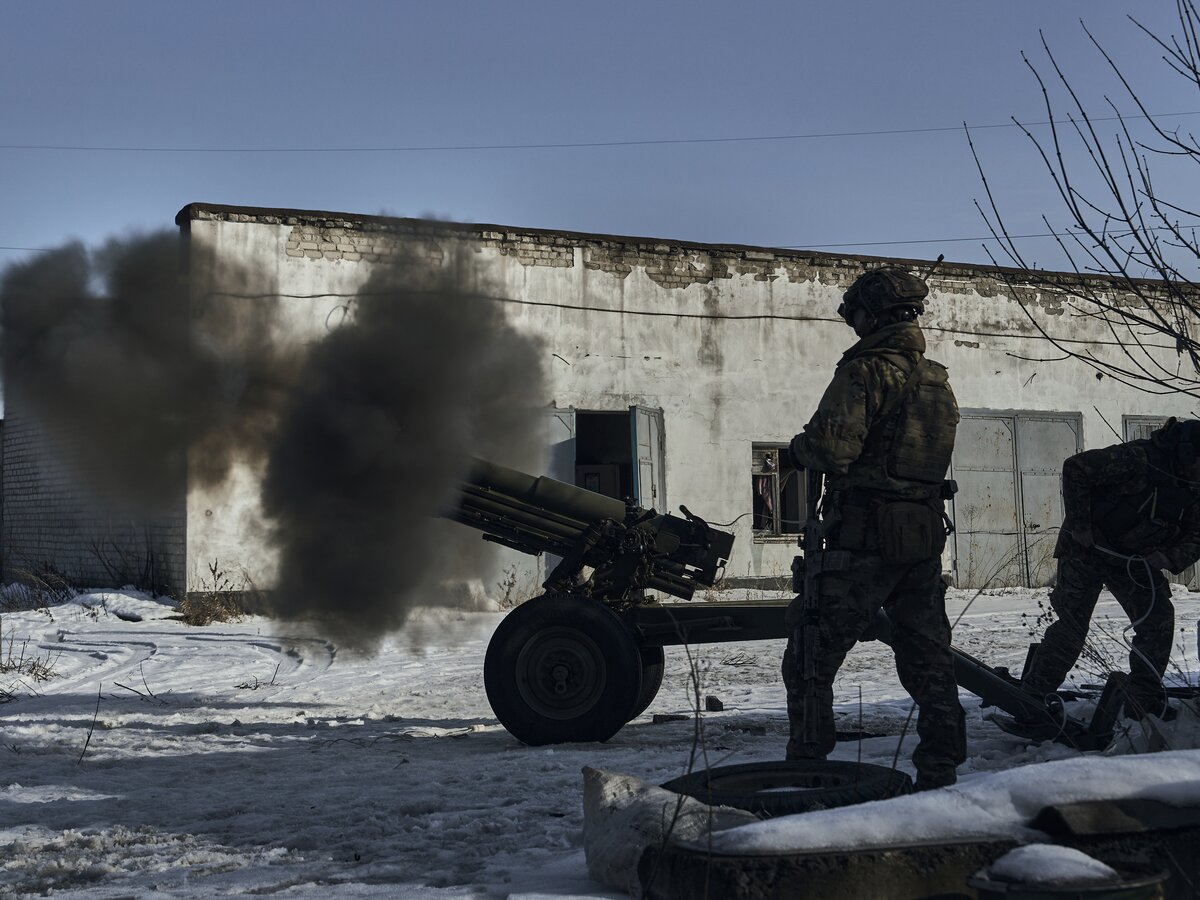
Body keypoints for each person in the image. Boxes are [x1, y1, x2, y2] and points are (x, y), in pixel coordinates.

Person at [782, 266, 966, 791]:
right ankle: (941, 766)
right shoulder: (937, 379)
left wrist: (798, 449)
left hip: (862, 541)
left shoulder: (865, 372)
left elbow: (832, 448)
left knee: (810, 656)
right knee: (929, 660)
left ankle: (810, 768)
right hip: (920, 537)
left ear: (872, 313)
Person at [1019, 418, 1200, 723]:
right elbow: (1076, 468)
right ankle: (1033, 696)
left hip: (1133, 560)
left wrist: (1168, 556)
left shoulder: (1194, 488)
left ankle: (1142, 699)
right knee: (1073, 626)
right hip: (1088, 549)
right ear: (1187, 453)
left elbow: (1197, 535)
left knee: (1158, 619)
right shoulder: (1138, 459)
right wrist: (1080, 525)